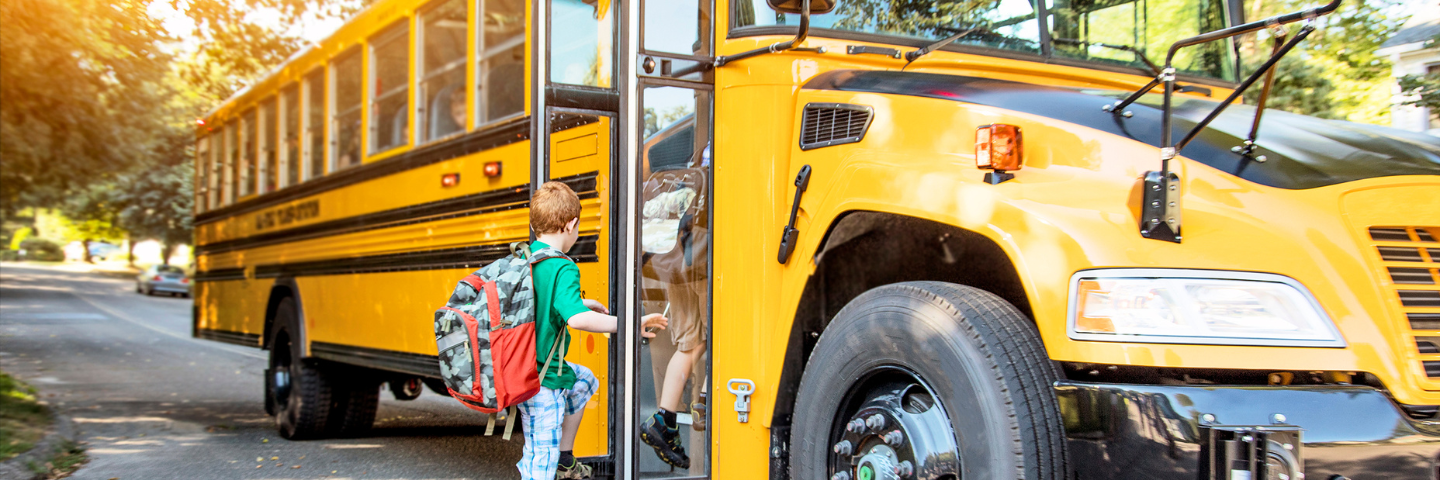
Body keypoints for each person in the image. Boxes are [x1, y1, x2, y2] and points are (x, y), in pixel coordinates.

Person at [518, 181, 669, 480]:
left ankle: (564, 456)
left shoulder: (528, 256)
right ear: (571, 225)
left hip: (527, 367)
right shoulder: (563, 267)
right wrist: (629, 323)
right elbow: (577, 320)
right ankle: (554, 462)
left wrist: (578, 301)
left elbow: (538, 298)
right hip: (541, 381)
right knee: (538, 462)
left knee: (584, 381)